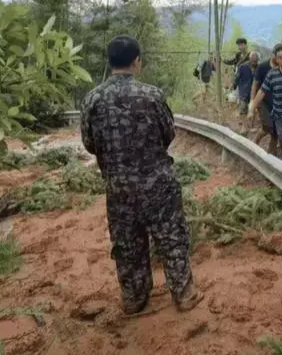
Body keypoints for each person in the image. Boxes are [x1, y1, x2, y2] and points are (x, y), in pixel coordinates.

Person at [80, 35, 204, 315]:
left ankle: (134, 298)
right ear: (137, 61)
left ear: (110, 62)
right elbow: (168, 133)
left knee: (127, 243)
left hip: (119, 188)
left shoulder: (92, 99)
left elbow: (89, 143)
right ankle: (184, 294)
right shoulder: (152, 95)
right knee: (171, 237)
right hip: (157, 183)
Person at [250, 49, 279, 155]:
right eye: (277, 56)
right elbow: (255, 84)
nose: (280, 59)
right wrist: (253, 101)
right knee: (268, 126)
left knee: (276, 129)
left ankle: (272, 152)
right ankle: (256, 140)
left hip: (276, 102)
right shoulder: (262, 67)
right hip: (262, 101)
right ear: (273, 55)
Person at [233, 51, 259, 135]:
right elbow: (237, 78)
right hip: (244, 91)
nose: (254, 61)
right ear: (250, 59)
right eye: (253, 60)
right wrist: (234, 86)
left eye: (256, 60)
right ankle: (244, 127)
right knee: (243, 109)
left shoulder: (259, 67)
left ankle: (251, 126)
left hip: (255, 92)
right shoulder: (243, 67)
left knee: (253, 109)